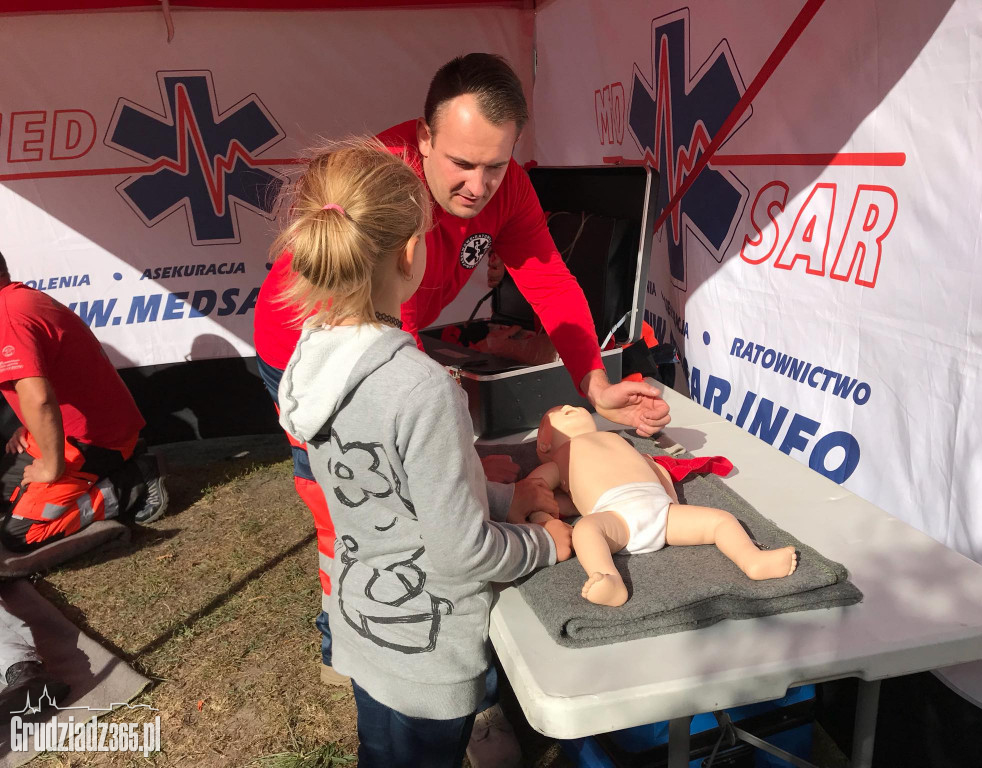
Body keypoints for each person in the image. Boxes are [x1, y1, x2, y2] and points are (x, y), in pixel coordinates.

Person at [252, 52, 669, 763]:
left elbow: (548, 276)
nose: (478, 187)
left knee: (395, 502)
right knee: (348, 501)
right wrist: (462, 462)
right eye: (460, 165)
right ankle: (367, 647)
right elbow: (398, 356)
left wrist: (593, 382)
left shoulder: (500, 188)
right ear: (420, 140)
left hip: (388, 351)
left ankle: (371, 644)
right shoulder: (388, 197)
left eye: (497, 167)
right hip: (304, 349)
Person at [274, 138, 574, 768]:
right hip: (429, 656)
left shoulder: (310, 362)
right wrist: (546, 544)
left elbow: (392, 492)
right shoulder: (423, 388)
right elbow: (464, 552)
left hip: (363, 629)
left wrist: (504, 496)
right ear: (411, 252)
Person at [522, 405, 798, 607]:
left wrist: (672, 505)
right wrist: (543, 516)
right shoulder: (558, 458)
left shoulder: (618, 438)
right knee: (585, 530)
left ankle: (753, 560)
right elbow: (534, 490)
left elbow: (655, 468)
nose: (569, 405)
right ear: (544, 444)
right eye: (559, 412)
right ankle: (608, 578)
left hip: (661, 508)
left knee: (721, 520)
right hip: (615, 518)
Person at [0, 254, 168, 551]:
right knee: (5, 493)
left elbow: (38, 398)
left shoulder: (8, 315)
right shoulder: (16, 300)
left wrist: (51, 468)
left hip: (94, 440)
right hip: (77, 432)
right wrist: (28, 427)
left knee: (21, 534)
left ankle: (134, 480)